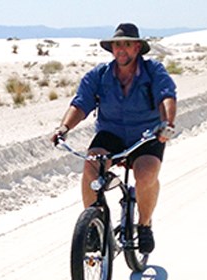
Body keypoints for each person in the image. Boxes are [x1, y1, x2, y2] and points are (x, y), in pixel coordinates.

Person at [51, 23, 177, 254]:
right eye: (117, 44)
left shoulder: (153, 71)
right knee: (91, 167)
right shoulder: (99, 75)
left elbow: (166, 97)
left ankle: (145, 224)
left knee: (146, 172)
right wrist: (64, 127)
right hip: (112, 133)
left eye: (127, 44)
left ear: (137, 47)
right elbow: (81, 103)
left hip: (146, 134)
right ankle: (94, 225)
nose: (121, 49)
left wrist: (167, 124)